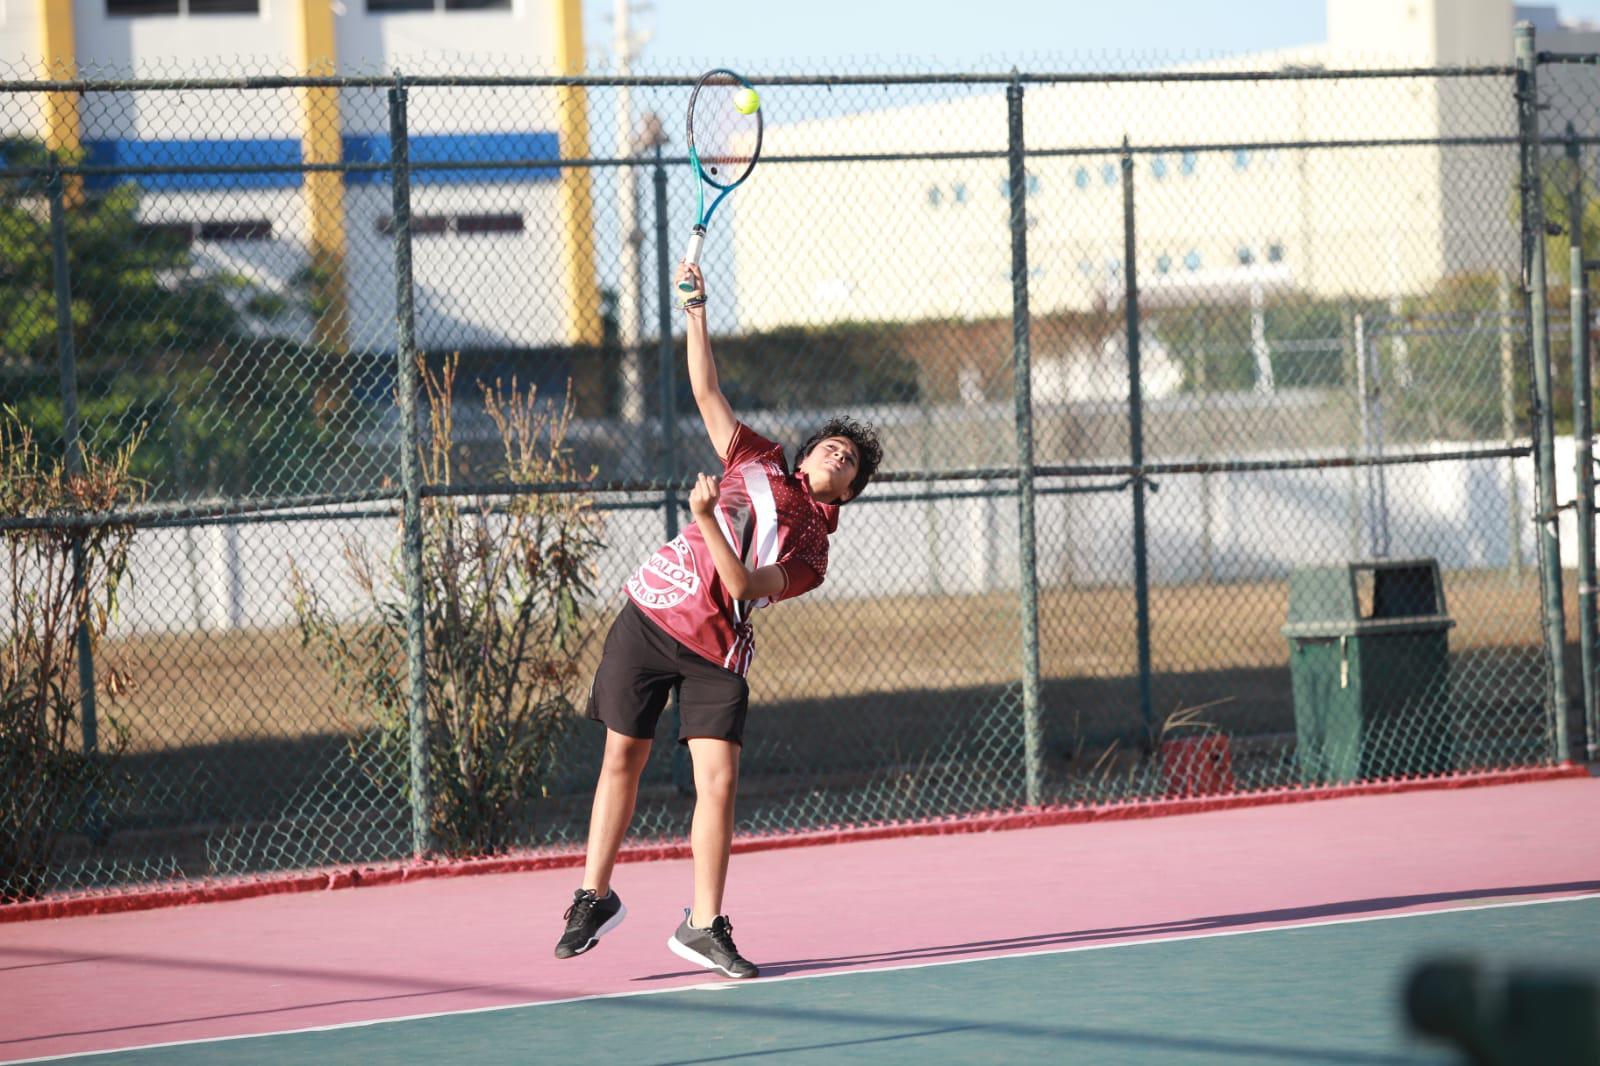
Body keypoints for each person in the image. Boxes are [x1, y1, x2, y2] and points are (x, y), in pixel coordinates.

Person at [553, 261, 883, 979]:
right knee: (622, 758)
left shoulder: (812, 552)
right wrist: (696, 309)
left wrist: (703, 515)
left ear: (849, 491)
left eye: (848, 458)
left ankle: (704, 924)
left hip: (715, 651)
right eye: (832, 441)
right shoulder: (757, 455)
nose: (835, 449)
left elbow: (738, 584)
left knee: (720, 784)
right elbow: (705, 390)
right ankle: (593, 894)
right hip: (649, 616)